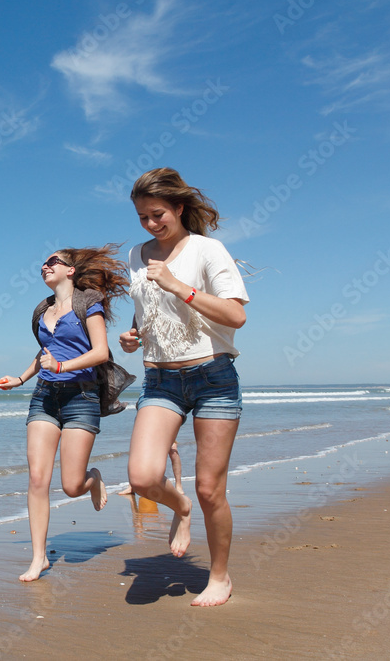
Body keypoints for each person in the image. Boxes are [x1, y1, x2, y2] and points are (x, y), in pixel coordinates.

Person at [118, 167, 248, 607]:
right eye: (142, 217)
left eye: (158, 214)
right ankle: (181, 508)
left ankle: (219, 576)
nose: (151, 224)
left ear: (178, 208)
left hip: (212, 376)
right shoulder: (136, 254)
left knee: (211, 489)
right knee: (142, 476)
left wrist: (180, 286)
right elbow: (149, 308)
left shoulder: (207, 250)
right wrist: (134, 335)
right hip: (160, 379)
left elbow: (236, 316)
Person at [0, 244, 129, 582]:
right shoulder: (42, 309)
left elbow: (100, 352)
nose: (45, 266)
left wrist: (63, 366)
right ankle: (38, 557)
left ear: (70, 270)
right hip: (44, 397)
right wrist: (21, 378)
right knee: (37, 479)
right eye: (42, 262)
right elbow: (45, 351)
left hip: (81, 398)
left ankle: (93, 477)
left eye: (52, 261)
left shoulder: (89, 303)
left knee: (72, 486)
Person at [117, 440, 182, 495]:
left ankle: (178, 485)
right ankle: (131, 486)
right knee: (138, 450)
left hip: (166, 426)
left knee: (173, 451)